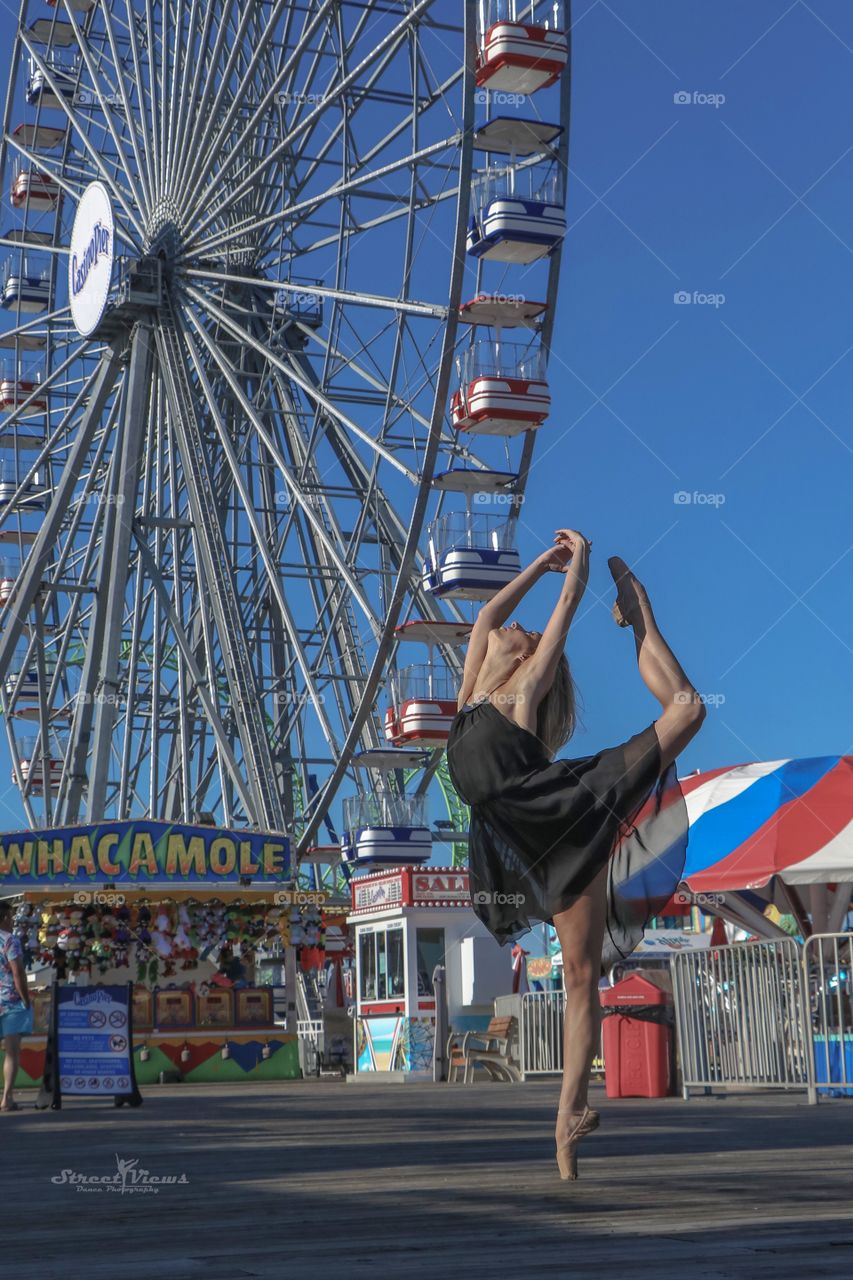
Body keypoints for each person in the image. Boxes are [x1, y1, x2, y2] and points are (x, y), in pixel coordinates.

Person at [445, 530, 704, 1180]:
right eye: (516, 629)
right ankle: (572, 1117)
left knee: (686, 711)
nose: (517, 626)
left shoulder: (522, 690)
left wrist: (579, 564)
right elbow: (485, 615)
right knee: (578, 978)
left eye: (525, 631)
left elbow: (559, 616)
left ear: (530, 656)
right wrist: (537, 563)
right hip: (517, 839)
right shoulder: (470, 692)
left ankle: (637, 613)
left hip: (560, 811)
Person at [0, 898, 33, 1112]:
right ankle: (7, 1098)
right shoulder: (10, 940)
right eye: (11, 917)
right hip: (11, 1001)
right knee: (12, 1051)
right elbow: (18, 972)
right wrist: (26, 999)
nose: (12, 921)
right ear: (4, 918)